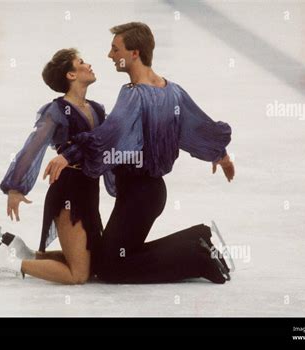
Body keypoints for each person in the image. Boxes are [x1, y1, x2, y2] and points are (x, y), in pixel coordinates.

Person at [44, 22, 235, 284]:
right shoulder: (172, 90)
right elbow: (200, 128)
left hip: (138, 194)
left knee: (111, 268)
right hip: (150, 192)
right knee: (108, 259)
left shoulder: (133, 95)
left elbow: (108, 135)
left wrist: (68, 154)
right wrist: (221, 156)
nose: (110, 56)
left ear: (134, 53)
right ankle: (196, 241)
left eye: (115, 49)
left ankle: (197, 256)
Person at [0, 48, 112, 284]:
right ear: (71, 75)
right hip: (69, 192)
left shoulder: (96, 109)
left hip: (89, 191)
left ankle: (24, 253)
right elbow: (33, 147)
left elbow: (105, 143)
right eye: (81, 62)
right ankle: (7, 262)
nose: (88, 65)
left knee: (93, 263)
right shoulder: (56, 110)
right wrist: (16, 188)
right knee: (78, 275)